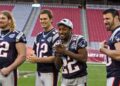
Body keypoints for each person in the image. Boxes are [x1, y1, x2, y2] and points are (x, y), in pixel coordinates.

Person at [27, 9, 60, 86]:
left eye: (45, 19)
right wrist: (32, 57)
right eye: (41, 19)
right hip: (39, 72)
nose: (42, 21)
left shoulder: (56, 35)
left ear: (51, 19)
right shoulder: (38, 35)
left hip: (51, 72)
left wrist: (37, 59)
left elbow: (56, 58)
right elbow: (34, 53)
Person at [54, 18, 88, 86]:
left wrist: (65, 52)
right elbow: (58, 66)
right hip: (65, 79)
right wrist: (58, 54)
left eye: (64, 29)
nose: (61, 32)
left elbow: (84, 58)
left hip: (79, 78)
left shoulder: (78, 39)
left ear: (70, 30)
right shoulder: (58, 43)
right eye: (59, 29)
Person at [0, 10, 26, 86]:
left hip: (9, 72)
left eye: (3, 18)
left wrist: (9, 69)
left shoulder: (17, 34)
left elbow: (22, 56)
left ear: (9, 20)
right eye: (0, 18)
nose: (0, 20)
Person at [100, 8, 120, 86]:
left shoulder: (118, 31)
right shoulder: (115, 32)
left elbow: (119, 55)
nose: (105, 21)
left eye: (107, 18)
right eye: (104, 19)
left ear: (116, 18)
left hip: (117, 77)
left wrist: (103, 49)